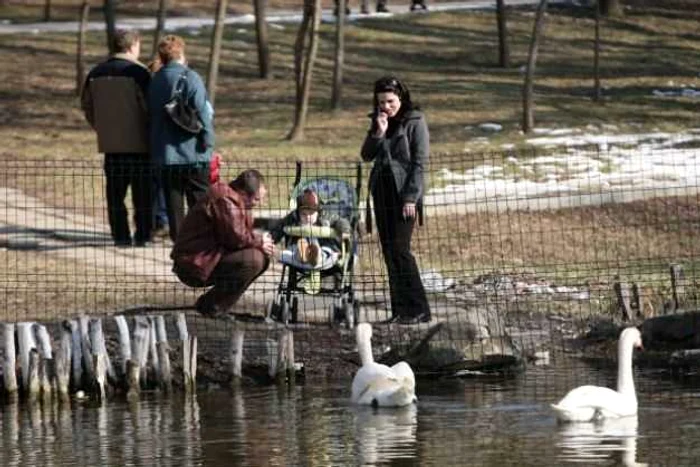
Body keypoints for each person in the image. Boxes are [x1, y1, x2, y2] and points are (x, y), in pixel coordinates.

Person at [360, 76, 431, 324]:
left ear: (400, 97)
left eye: (390, 101)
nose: (386, 107)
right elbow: (366, 155)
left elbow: (419, 162)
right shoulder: (379, 121)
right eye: (381, 102)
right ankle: (400, 311)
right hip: (382, 190)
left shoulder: (415, 121)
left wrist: (411, 197)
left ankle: (419, 309)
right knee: (389, 251)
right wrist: (378, 132)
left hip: (404, 193)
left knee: (401, 250)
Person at [81, 29, 153, 247]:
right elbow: (149, 106)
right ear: (133, 46)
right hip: (140, 144)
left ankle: (120, 236)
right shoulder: (140, 73)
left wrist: (102, 128)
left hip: (111, 145)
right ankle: (143, 235)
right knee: (143, 195)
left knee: (115, 195)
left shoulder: (96, 73)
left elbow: (87, 106)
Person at [171, 169, 275, 318]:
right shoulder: (226, 201)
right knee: (254, 260)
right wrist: (260, 241)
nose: (261, 204)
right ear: (244, 194)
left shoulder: (233, 198)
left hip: (209, 257)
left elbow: (235, 235)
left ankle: (214, 305)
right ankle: (212, 306)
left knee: (260, 258)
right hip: (194, 264)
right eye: (257, 199)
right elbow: (236, 238)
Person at [148, 34, 215, 243]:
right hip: (193, 153)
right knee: (199, 203)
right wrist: (208, 141)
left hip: (165, 154)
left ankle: (180, 246)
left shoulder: (155, 80)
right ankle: (200, 243)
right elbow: (203, 113)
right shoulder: (190, 77)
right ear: (181, 53)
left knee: (173, 205)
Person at [272, 189, 351, 293]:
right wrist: (272, 239)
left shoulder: (327, 216)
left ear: (318, 212)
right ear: (298, 213)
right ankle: (302, 254)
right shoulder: (293, 218)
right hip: (298, 250)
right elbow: (280, 227)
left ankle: (315, 254)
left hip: (323, 249)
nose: (308, 217)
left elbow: (341, 221)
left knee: (328, 253)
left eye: (311, 213)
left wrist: (344, 230)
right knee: (290, 253)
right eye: (304, 214)